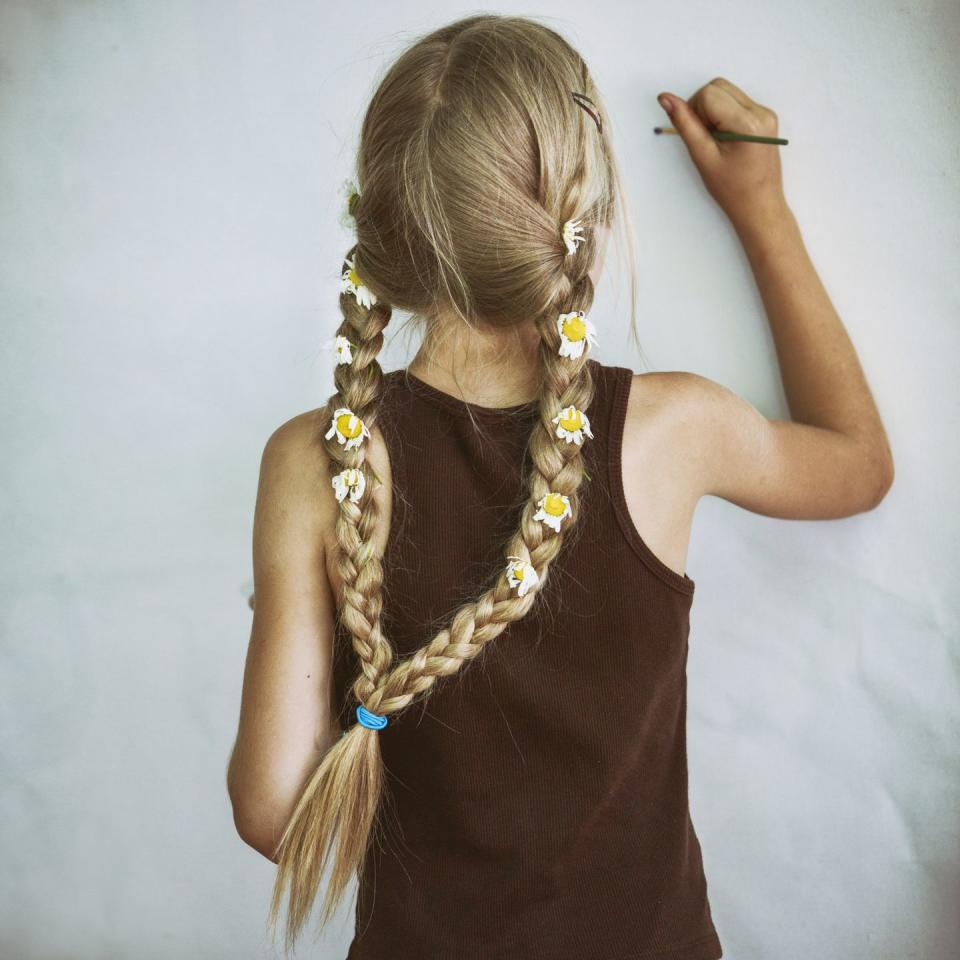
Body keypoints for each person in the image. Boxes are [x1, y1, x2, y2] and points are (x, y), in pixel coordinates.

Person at [226, 14, 894, 959]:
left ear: (381, 226)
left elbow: (273, 813)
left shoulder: (315, 463)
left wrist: (305, 617)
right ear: (584, 209)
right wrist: (761, 206)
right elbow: (859, 463)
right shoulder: (674, 431)